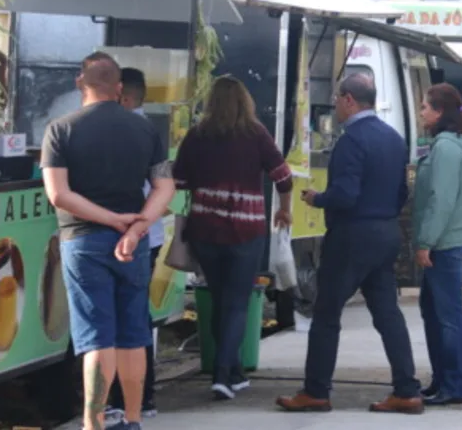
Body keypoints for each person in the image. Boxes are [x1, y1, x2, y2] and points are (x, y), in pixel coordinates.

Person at [41, 52, 175, 430]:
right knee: (133, 334)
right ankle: (133, 419)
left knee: (97, 337)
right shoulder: (145, 130)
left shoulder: (60, 129)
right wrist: (134, 228)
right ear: (119, 88)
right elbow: (165, 187)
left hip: (83, 243)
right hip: (133, 245)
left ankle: (94, 422)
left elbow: (59, 195)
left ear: (79, 83)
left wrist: (109, 219)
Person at [276, 74, 423, 414]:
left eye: (336, 99)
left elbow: (345, 194)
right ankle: (407, 389)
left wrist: (317, 198)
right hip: (385, 232)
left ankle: (316, 390)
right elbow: (402, 191)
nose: (335, 106)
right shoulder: (393, 138)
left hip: (352, 236)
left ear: (349, 100)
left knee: (326, 313)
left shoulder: (351, 140)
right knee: (387, 314)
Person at [173, 76, 293, 400]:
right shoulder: (256, 134)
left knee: (219, 299)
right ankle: (223, 374)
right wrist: (284, 210)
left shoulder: (197, 135)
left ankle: (234, 371)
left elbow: (179, 180)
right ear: (245, 102)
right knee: (237, 303)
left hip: (205, 230)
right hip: (246, 231)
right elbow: (283, 177)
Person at [413, 83, 462, 406]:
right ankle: (443, 379)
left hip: (445, 241)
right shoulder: (451, 145)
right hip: (450, 238)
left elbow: (441, 200)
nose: (420, 113)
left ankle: (454, 384)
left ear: (439, 111)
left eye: (424, 107)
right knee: (434, 311)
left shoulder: (445, 148)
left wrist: (425, 241)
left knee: (447, 316)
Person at [105, 68, 161, 423]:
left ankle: (120, 401)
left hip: (128, 233)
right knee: (137, 317)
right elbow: (164, 184)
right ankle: (142, 399)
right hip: (145, 235)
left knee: (120, 319)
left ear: (123, 96)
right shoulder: (150, 131)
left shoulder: (125, 132)